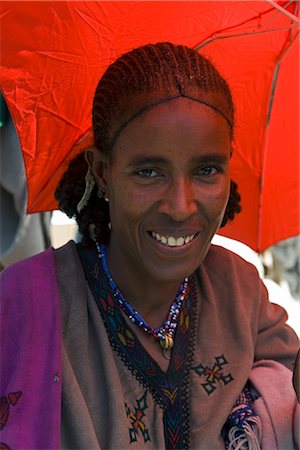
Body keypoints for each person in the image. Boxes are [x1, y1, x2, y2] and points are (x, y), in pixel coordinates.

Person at [0, 42, 299, 450]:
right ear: (102, 173)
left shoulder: (239, 289)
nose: (180, 207)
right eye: (148, 172)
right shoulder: (22, 303)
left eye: (207, 170)